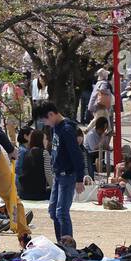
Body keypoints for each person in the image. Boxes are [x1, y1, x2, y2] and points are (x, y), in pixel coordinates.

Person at [40, 102, 82, 242]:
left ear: (51, 114)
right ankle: (60, 242)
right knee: (53, 211)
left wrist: (80, 179)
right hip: (58, 175)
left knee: (62, 212)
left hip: (68, 175)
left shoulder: (67, 129)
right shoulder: (55, 128)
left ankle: (67, 245)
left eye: (45, 120)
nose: (45, 123)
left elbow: (76, 154)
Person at [18, 128, 50, 201]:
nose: (47, 141)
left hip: (23, 193)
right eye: (45, 139)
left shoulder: (27, 153)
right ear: (40, 140)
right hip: (38, 194)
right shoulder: (45, 153)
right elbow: (48, 175)